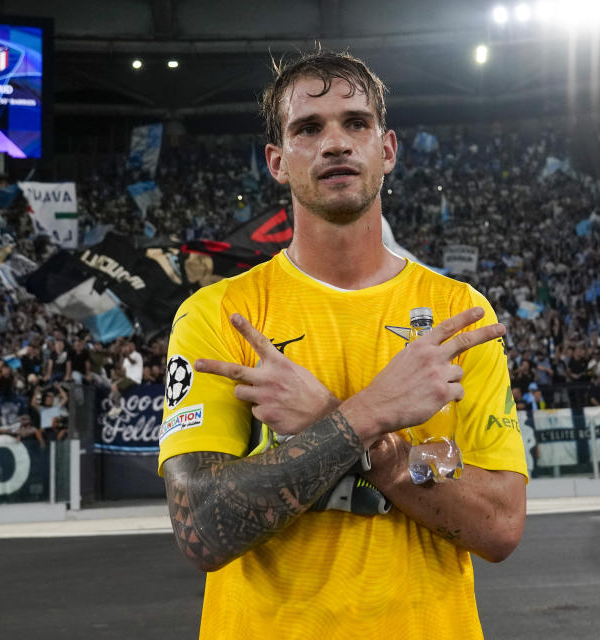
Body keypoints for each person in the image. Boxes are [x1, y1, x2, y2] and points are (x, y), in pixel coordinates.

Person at [158, 50, 527, 639]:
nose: (335, 143)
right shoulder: (219, 313)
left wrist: (342, 429)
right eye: (309, 128)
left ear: (387, 150)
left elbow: (501, 525)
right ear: (277, 162)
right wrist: (370, 415)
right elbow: (202, 528)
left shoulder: (460, 314)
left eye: (355, 122)